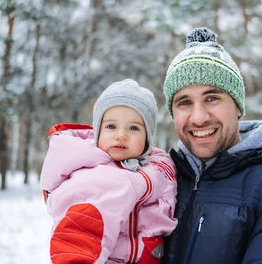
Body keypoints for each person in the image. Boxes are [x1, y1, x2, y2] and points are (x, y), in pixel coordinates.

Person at [161, 27, 262, 263]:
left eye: (212, 98)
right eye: (184, 102)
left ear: (237, 106)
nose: (198, 117)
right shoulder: (159, 181)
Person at [40, 79, 178, 264]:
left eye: (134, 128)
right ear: (98, 132)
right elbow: (80, 234)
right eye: (111, 126)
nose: (121, 135)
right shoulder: (99, 177)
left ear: (148, 138)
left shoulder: (152, 165)